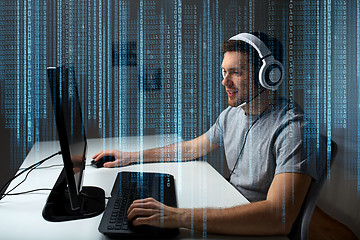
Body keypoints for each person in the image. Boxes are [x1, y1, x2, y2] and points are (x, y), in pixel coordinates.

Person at [92, 32, 316, 236]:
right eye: (224, 72)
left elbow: (279, 218)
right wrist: (132, 156)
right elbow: (192, 148)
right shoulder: (233, 114)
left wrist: (177, 217)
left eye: (236, 73)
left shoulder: (293, 129)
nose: (224, 82)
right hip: (231, 209)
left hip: (257, 228)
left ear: (269, 75)